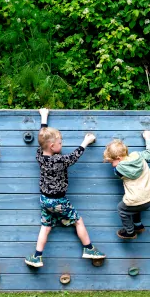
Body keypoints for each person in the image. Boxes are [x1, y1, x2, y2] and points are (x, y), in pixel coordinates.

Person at [24, 108, 105, 268]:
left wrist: (44, 117)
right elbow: (74, 156)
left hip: (45, 200)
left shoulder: (39, 155)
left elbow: (43, 135)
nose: (62, 144)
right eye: (60, 143)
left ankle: (37, 256)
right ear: (53, 146)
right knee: (78, 221)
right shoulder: (58, 160)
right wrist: (86, 142)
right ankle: (89, 249)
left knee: (46, 226)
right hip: (58, 201)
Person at [104, 130, 150, 239]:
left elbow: (119, 169)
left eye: (111, 162)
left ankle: (129, 231)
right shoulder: (137, 156)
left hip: (138, 200)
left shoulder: (118, 170)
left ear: (118, 158)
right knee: (135, 206)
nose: (112, 165)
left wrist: (116, 166)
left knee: (122, 209)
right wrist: (147, 138)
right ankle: (138, 225)